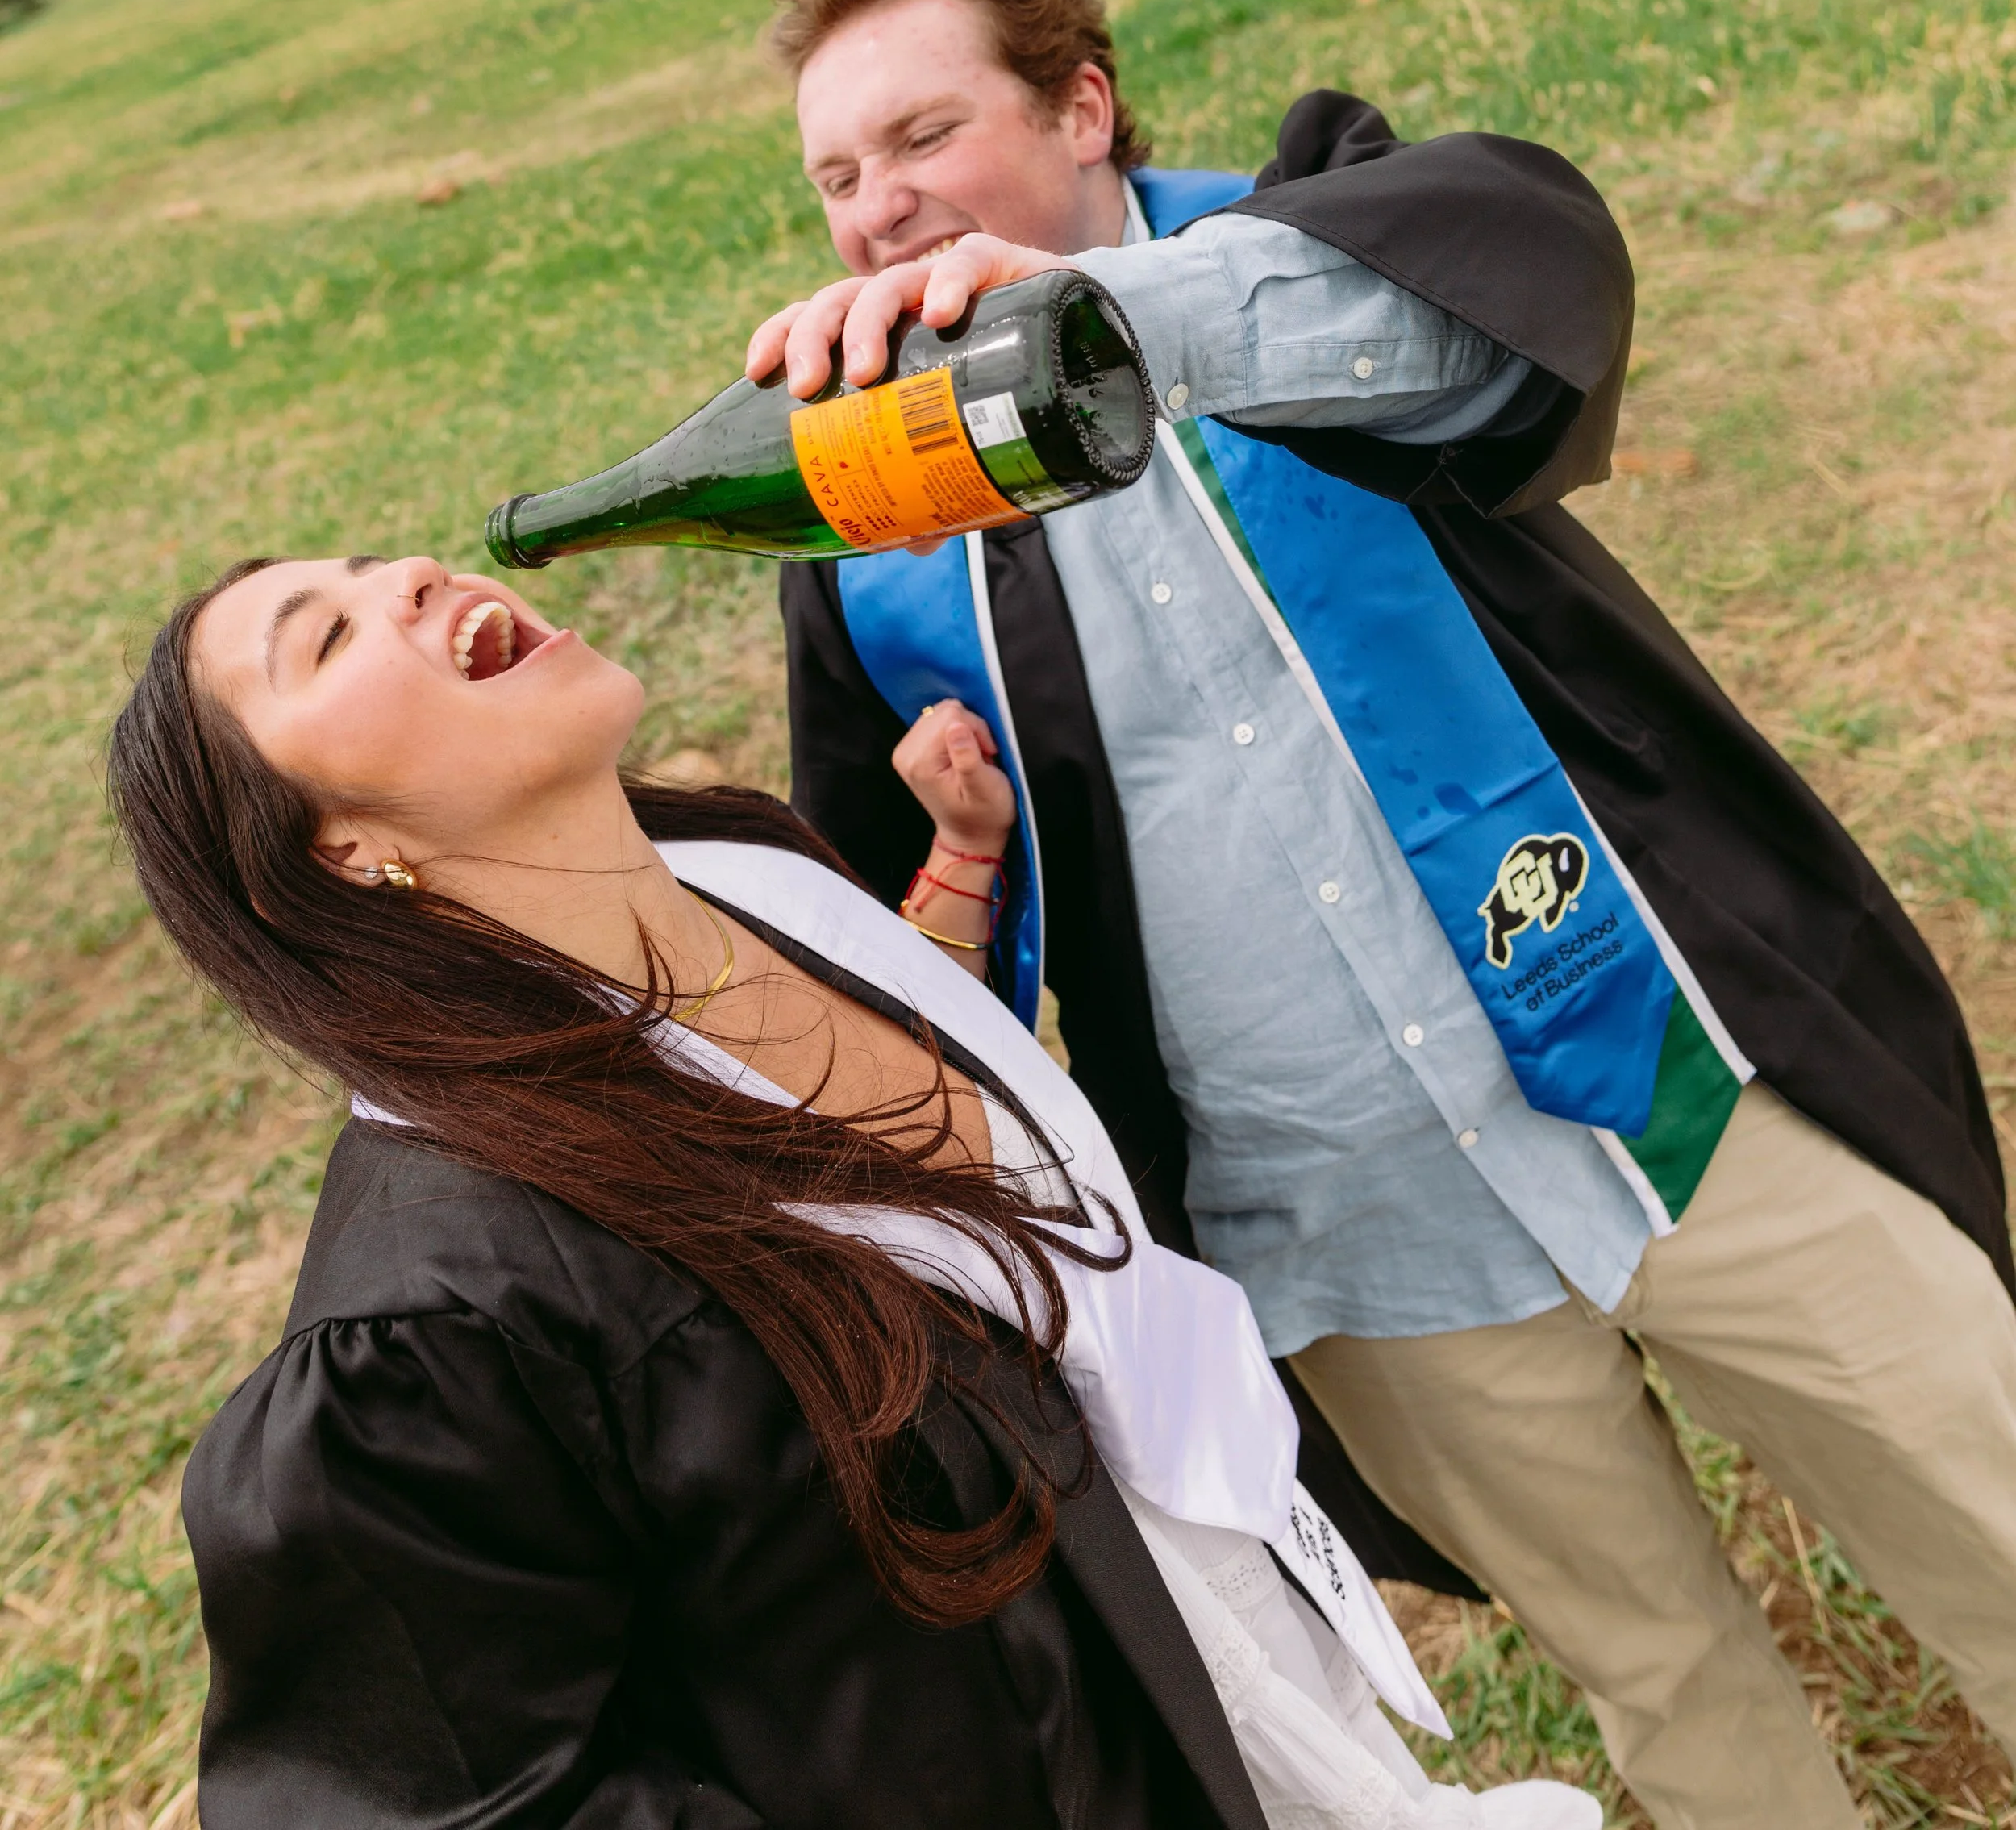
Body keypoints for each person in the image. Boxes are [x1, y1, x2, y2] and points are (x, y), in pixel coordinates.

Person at [757, 0, 2016, 1830]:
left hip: (1658, 1084)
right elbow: (893, 952)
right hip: (1337, 1221)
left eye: (925, 137)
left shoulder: (1309, 246)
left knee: (1993, 1511)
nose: (881, 208)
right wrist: (959, 848)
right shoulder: (871, 514)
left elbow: (1511, 305)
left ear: (1083, 108)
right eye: (840, 176)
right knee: (1660, 1678)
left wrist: (1102, 325)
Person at [109, 545, 1602, 1830]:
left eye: (378, 565)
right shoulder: (442, 1325)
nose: (408, 579)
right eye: (327, 635)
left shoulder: (735, 868)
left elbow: (926, 1163)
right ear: (335, 851)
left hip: (1210, 1678)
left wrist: (961, 858)